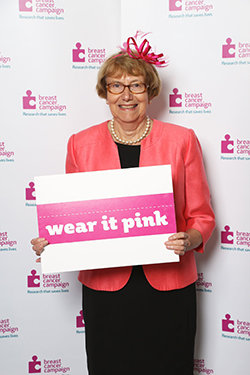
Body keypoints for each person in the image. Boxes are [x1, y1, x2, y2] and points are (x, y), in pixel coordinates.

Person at [31, 32, 215, 375]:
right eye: (116, 86)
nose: (126, 95)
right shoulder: (80, 144)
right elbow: (75, 216)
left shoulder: (182, 141)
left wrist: (190, 238)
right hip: (107, 290)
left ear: (151, 91)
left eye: (136, 86)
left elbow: (202, 216)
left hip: (168, 286)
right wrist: (53, 242)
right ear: (105, 92)